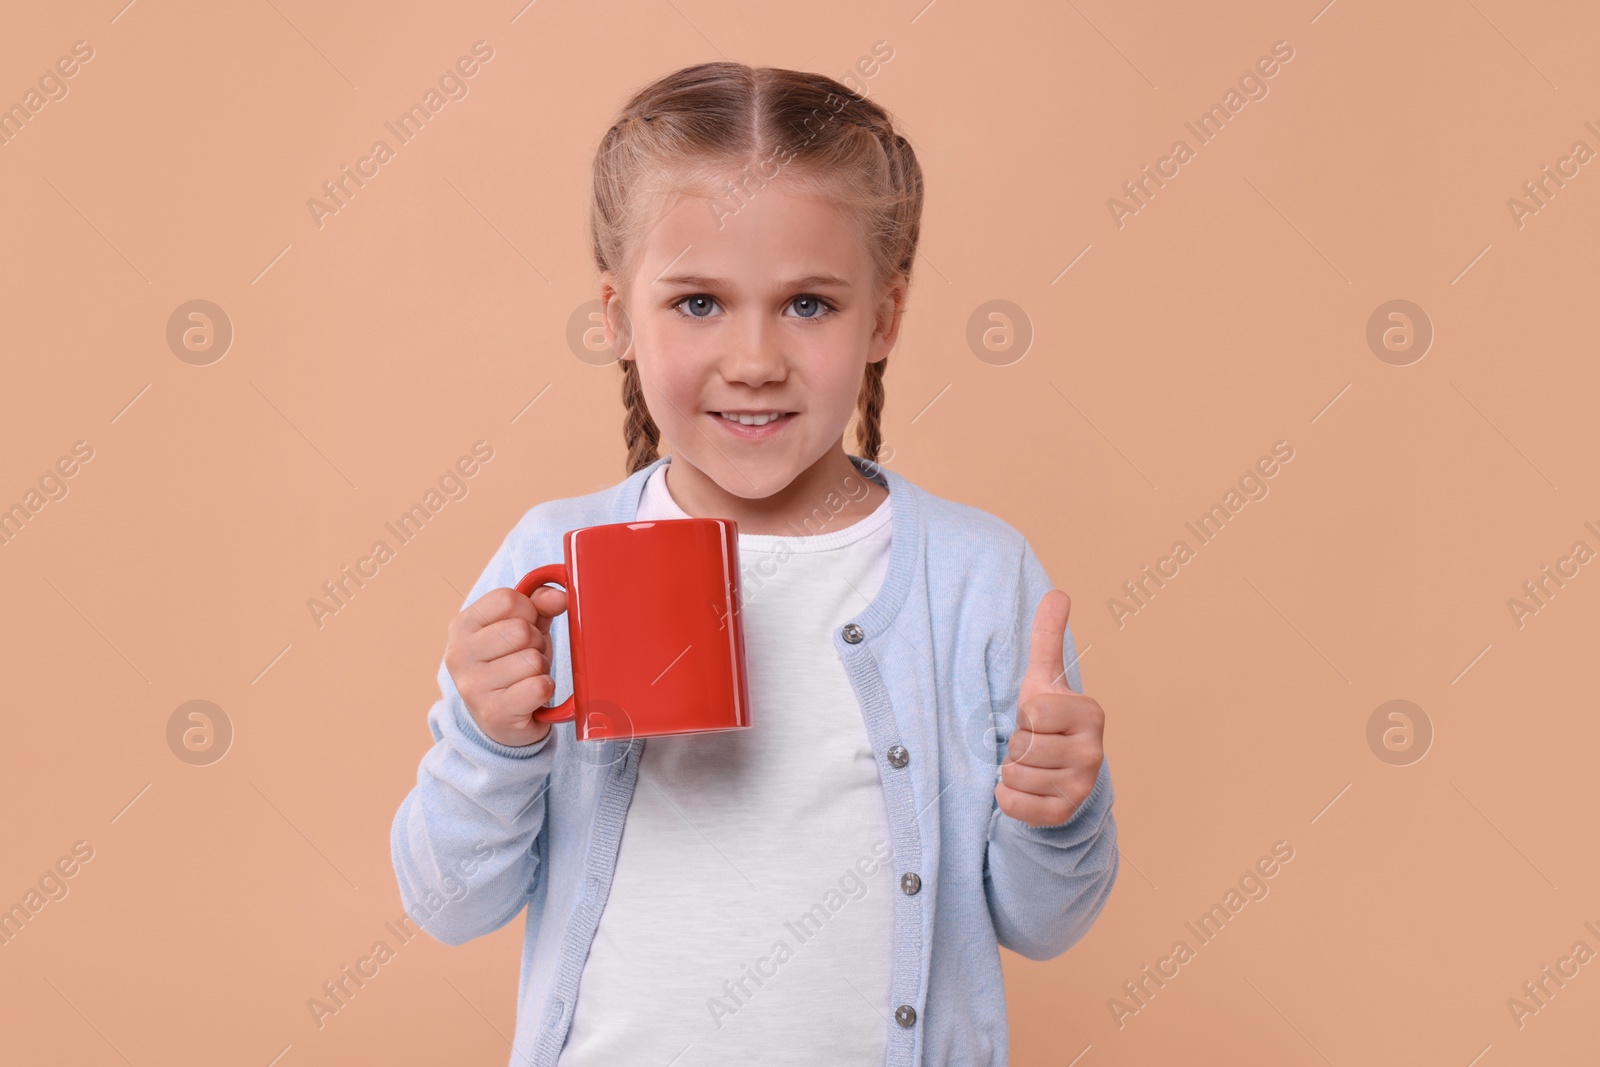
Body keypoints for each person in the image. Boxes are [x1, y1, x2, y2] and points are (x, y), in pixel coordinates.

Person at [390, 60, 1118, 1067]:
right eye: (696, 302)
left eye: (809, 304)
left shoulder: (976, 579)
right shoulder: (547, 567)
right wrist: (491, 741)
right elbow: (446, 901)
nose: (755, 357)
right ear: (614, 316)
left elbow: (1046, 923)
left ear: (885, 318)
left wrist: (1059, 809)